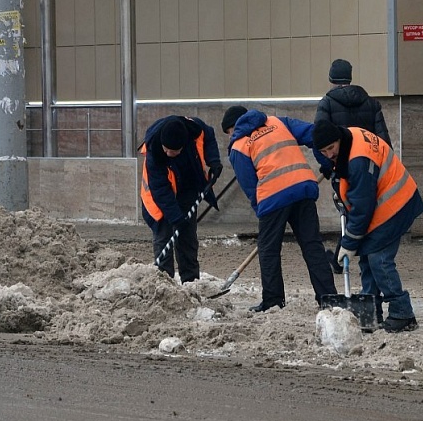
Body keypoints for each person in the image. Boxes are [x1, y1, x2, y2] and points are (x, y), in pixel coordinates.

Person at [312, 120, 423, 333]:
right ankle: (371, 310)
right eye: (323, 151)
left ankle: (403, 313)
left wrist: (349, 242)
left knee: (378, 259)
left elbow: (363, 207)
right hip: (386, 202)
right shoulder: (349, 135)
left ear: (338, 139)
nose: (328, 154)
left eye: (331, 149)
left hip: (395, 206)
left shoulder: (358, 162)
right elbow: (352, 182)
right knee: (367, 257)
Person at [221, 106, 337, 312]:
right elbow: (313, 134)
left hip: (273, 197)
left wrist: (262, 211)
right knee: (312, 246)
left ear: (234, 127)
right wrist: (327, 163)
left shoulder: (238, 146)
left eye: (229, 132)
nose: (230, 137)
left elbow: (250, 186)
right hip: (303, 188)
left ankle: (273, 301)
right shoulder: (277, 122)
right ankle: (328, 299)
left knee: (268, 250)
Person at [315, 59, 392, 273]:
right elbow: (383, 141)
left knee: (352, 211)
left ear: (331, 78)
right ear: (350, 77)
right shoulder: (371, 103)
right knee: (364, 210)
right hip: (369, 165)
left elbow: (320, 140)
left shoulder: (327, 103)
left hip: (342, 168)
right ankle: (354, 257)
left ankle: (343, 257)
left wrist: (328, 166)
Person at [140, 115, 223, 284]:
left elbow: (208, 135)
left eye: (174, 151)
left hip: (188, 189)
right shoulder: (154, 153)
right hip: (160, 199)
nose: (169, 154)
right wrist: (176, 217)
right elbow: (161, 191)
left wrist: (213, 161)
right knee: (164, 237)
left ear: (184, 145)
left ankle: (191, 282)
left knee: (188, 238)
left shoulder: (194, 129)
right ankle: (164, 284)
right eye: (166, 150)